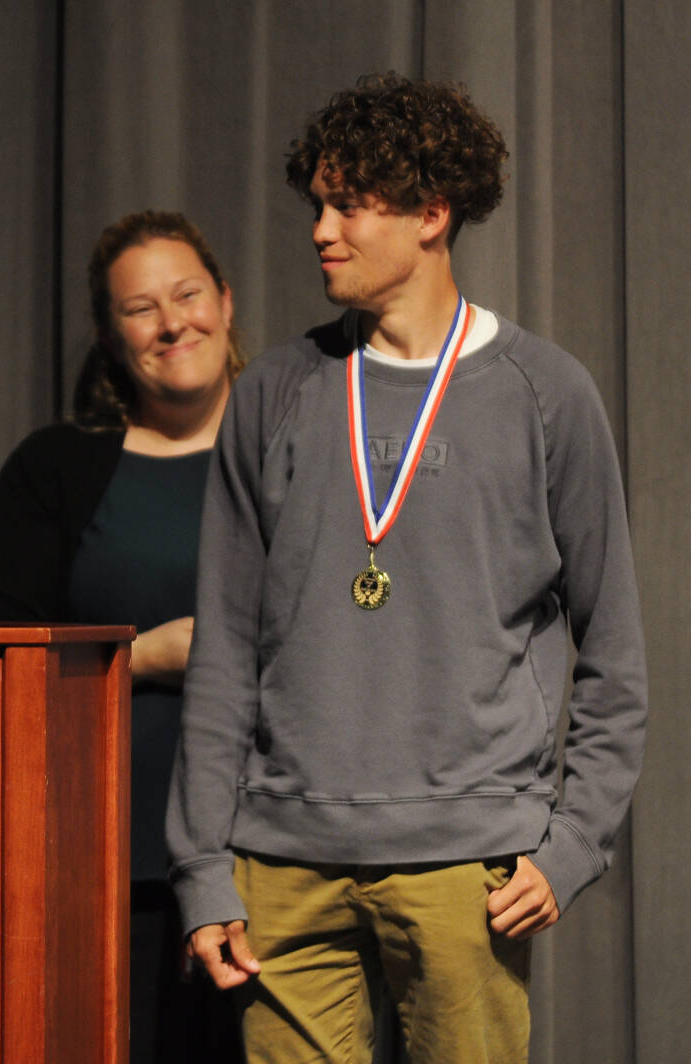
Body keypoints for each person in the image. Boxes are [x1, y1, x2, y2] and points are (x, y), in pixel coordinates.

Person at [167, 73, 647, 1063]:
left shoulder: (542, 394)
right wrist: (203, 864)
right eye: (315, 205)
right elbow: (221, 651)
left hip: (464, 866)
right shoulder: (273, 395)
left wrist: (570, 842)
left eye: (348, 204)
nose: (318, 231)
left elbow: (613, 650)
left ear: (430, 214)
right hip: (281, 863)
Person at [0, 210, 244, 1062]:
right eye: (140, 308)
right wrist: (142, 655)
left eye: (187, 294)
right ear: (112, 337)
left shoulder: (300, 456)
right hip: (113, 867)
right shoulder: (57, 469)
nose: (171, 322)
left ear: (226, 303)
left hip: (282, 864)